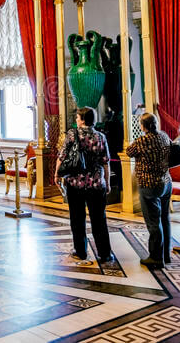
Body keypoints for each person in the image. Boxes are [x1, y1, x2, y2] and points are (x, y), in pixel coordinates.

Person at [55, 107, 113, 262]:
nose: (76, 119)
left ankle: (80, 251)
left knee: (77, 218)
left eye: (77, 117)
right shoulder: (100, 137)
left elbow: (61, 156)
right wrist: (107, 182)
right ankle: (105, 253)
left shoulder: (72, 135)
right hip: (96, 184)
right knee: (99, 219)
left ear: (82, 120)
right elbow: (105, 162)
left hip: (75, 183)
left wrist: (57, 174)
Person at [126, 112, 172, 268]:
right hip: (166, 182)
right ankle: (166, 254)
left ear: (143, 126)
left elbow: (129, 152)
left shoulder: (142, 141)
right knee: (164, 218)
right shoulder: (164, 136)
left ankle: (156, 257)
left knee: (153, 222)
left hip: (149, 184)